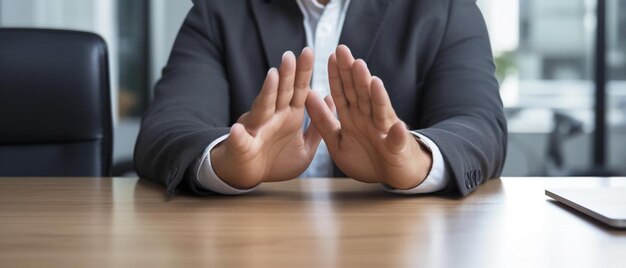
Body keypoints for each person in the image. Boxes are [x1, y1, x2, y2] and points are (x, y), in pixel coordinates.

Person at [134, 0, 507, 197]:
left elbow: (480, 124)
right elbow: (165, 128)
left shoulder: (445, 8)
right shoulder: (217, 11)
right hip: (250, 245)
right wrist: (224, 162)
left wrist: (416, 160)